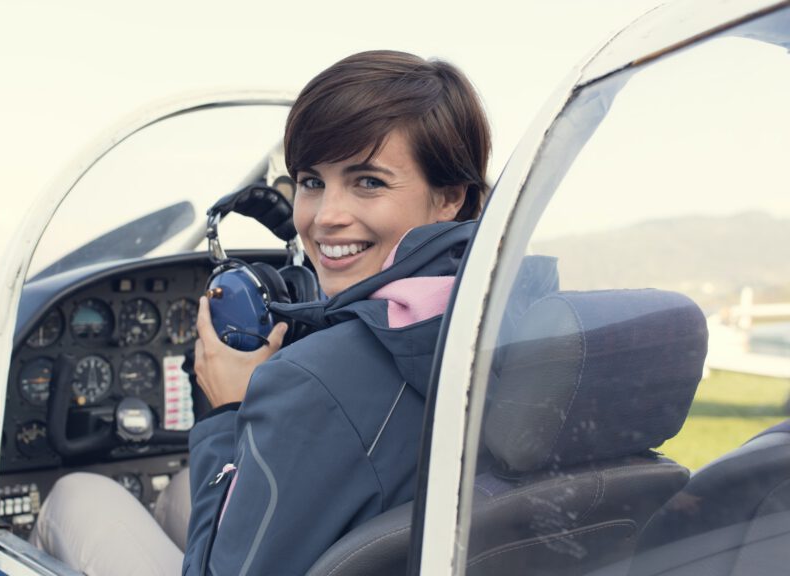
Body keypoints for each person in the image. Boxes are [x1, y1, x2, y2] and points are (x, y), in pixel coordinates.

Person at [31, 49, 491, 575]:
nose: (324, 218)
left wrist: (230, 408)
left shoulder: (314, 381)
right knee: (181, 491)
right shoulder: (507, 320)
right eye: (312, 181)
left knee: (76, 493)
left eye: (368, 182)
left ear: (450, 197)